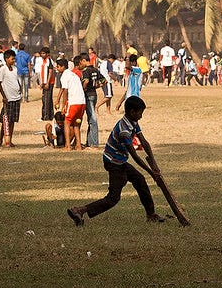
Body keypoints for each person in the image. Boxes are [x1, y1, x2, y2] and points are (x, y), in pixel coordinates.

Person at [66, 96, 165, 225]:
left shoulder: (133, 122)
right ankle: (79, 210)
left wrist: (154, 166)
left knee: (140, 180)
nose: (141, 116)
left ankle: (151, 215)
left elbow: (145, 143)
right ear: (132, 112)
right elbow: (134, 155)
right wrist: (152, 173)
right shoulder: (124, 129)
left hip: (120, 161)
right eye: (140, 113)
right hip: (113, 163)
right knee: (113, 198)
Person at [0, 49, 22, 148]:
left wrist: (20, 90)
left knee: (13, 120)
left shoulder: (15, 69)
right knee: (5, 121)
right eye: (12, 59)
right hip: (8, 98)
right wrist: (4, 96)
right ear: (6, 59)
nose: (14, 61)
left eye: (14, 59)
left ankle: (10, 140)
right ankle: (1, 140)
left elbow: (17, 81)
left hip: (16, 98)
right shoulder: (3, 69)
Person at [56, 57, 85, 151]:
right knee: (76, 124)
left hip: (73, 102)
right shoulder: (74, 75)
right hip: (82, 102)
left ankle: (67, 146)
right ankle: (78, 145)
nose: (57, 68)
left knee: (67, 123)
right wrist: (57, 99)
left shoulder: (64, 75)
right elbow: (63, 89)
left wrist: (64, 105)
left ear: (63, 67)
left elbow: (65, 91)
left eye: (58, 67)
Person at [79, 53, 102, 148]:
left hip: (88, 96)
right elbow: (104, 81)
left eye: (81, 62)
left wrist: (83, 88)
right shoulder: (95, 70)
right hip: (94, 94)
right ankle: (89, 142)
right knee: (90, 119)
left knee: (92, 119)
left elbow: (86, 81)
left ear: (84, 61)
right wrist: (95, 86)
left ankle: (94, 143)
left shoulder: (86, 71)